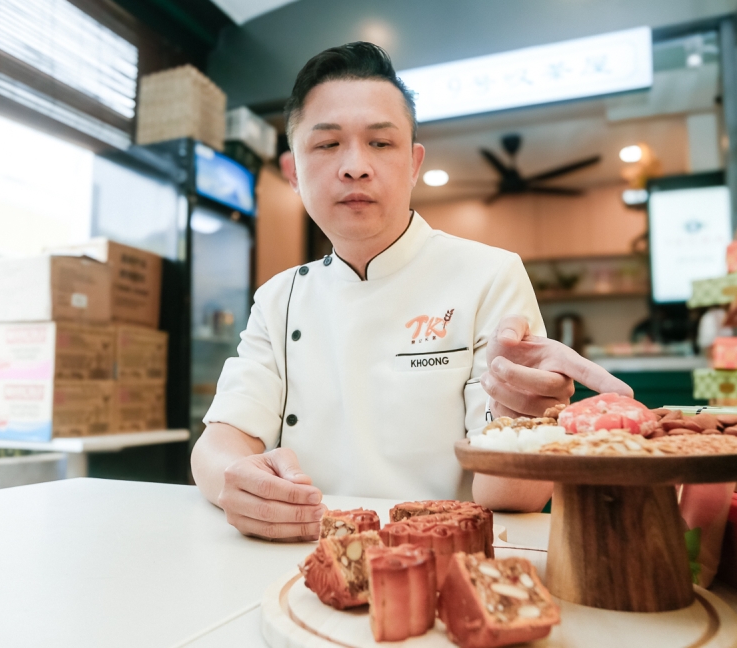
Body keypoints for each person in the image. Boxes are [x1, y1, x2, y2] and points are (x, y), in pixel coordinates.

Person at [191, 42, 631, 541]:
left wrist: (519, 420)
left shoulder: (490, 274)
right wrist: (235, 482)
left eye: (381, 143)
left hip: (445, 557)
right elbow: (222, 438)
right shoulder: (278, 298)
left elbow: (515, 497)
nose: (355, 166)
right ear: (293, 170)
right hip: (300, 552)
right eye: (327, 144)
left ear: (414, 163)